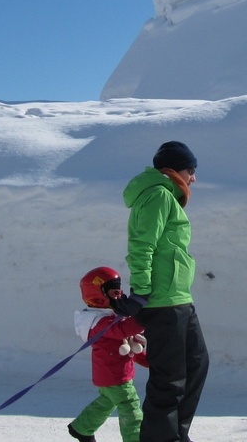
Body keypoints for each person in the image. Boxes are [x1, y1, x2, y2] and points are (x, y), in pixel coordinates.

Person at [111, 140, 209, 442]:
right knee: (169, 380)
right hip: (162, 300)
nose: (193, 178)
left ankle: (176, 435)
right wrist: (140, 291)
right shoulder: (158, 195)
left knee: (196, 364)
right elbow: (142, 245)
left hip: (178, 297)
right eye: (190, 171)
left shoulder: (166, 196)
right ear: (174, 169)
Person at [69, 266, 149, 442]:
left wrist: (150, 361)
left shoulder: (111, 318)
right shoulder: (99, 323)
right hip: (113, 375)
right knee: (129, 404)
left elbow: (129, 345)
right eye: (114, 293)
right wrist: (144, 313)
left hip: (112, 374)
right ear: (99, 296)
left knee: (107, 402)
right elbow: (123, 330)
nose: (119, 296)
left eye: (120, 291)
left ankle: (81, 428)